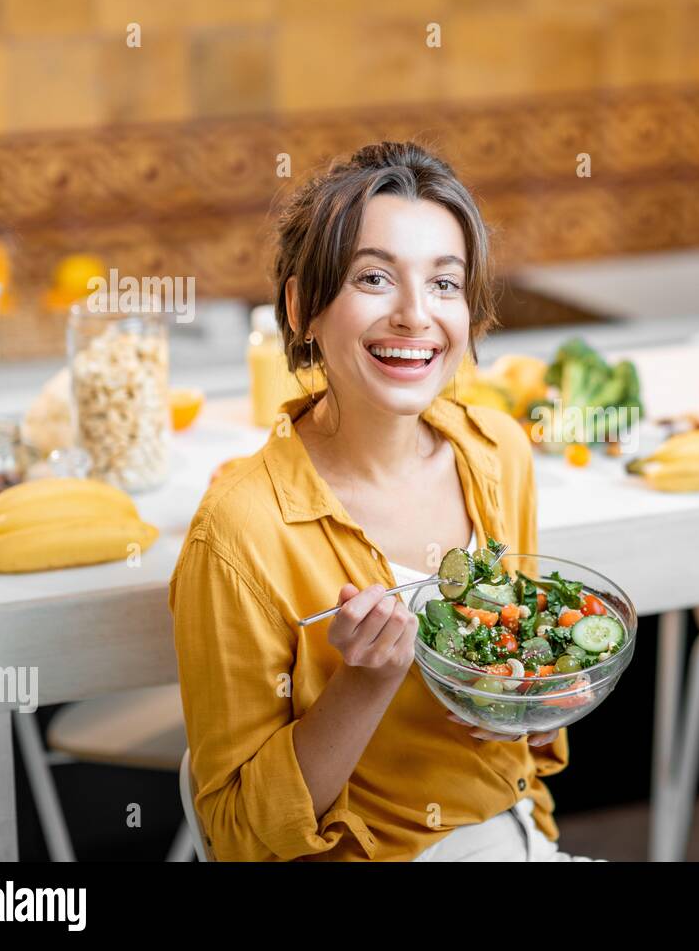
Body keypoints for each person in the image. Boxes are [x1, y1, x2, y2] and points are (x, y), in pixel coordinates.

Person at [169, 141, 596, 861]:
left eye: (444, 284)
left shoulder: (497, 453)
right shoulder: (240, 531)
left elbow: (525, 732)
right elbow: (239, 834)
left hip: (512, 840)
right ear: (303, 306)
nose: (413, 315)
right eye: (374, 277)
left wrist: (542, 699)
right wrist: (363, 684)